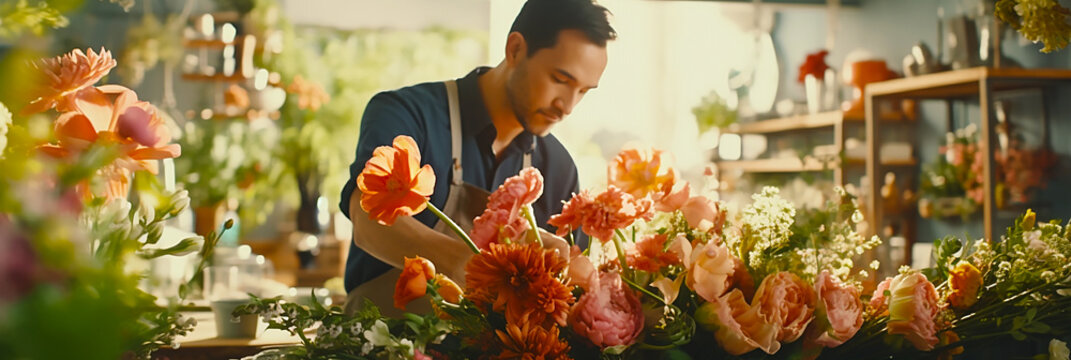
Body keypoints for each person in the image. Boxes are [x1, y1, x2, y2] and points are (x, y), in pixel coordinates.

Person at [339, 0, 616, 316]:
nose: (567, 105)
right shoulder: (407, 114)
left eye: (583, 91)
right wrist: (468, 264)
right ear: (514, 49)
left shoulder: (559, 168)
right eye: (560, 79)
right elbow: (368, 222)